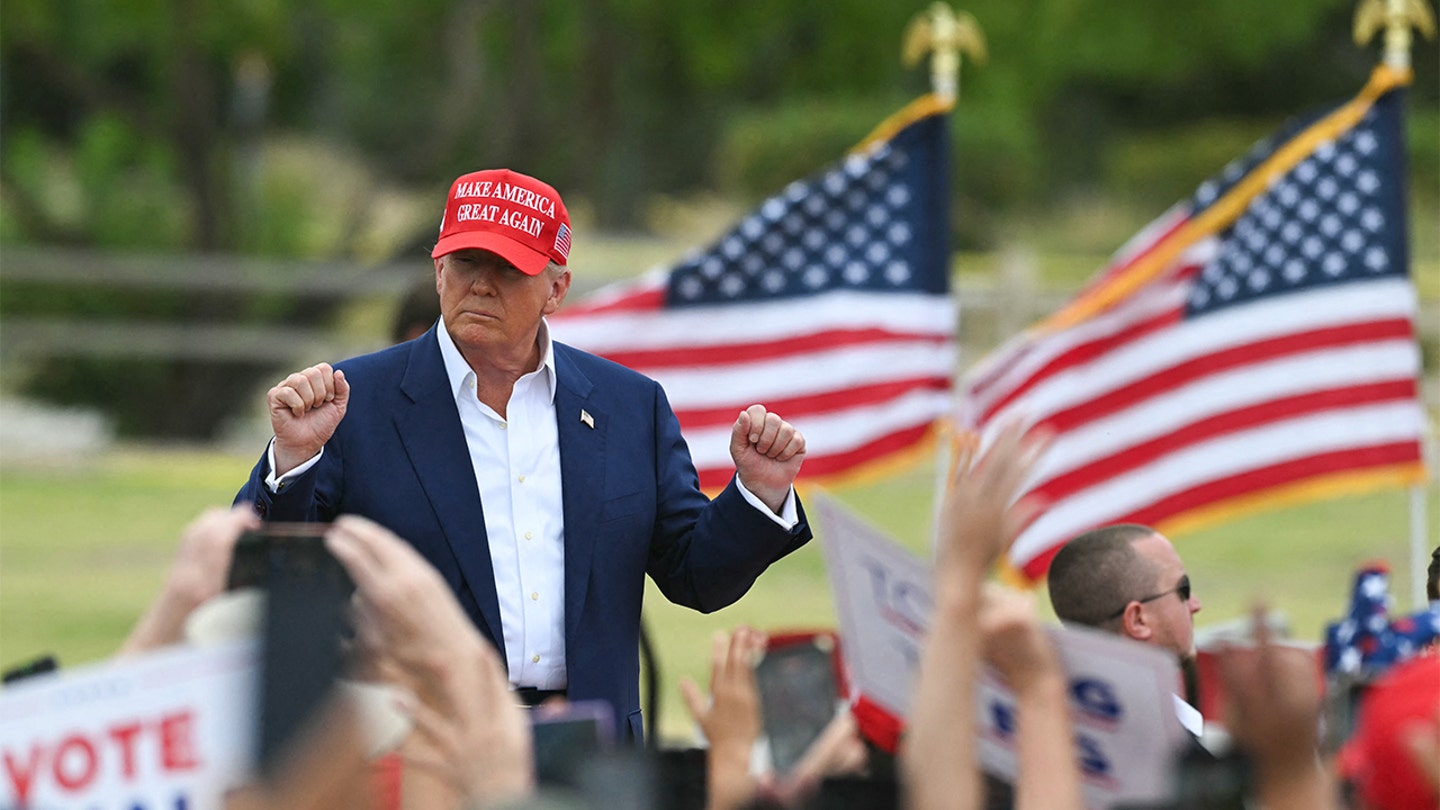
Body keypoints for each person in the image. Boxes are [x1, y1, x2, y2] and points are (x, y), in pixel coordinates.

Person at [235, 167, 812, 742]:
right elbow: (267, 582)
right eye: (466, 263)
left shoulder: (630, 407)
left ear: (556, 290)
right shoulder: (351, 402)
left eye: (509, 268)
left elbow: (696, 577)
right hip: (421, 744)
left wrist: (757, 494)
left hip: (592, 746)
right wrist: (292, 461)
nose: (482, 285)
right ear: (438, 271)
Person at [1045, 523, 1206, 737]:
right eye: (1183, 591)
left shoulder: (1057, 728)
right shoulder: (1173, 754)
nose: (1195, 604)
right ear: (1138, 620)